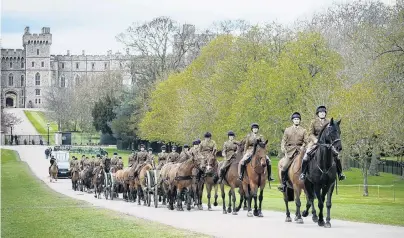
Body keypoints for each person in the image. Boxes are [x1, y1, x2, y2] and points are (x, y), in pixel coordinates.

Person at [299, 106, 346, 181]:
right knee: (306, 156)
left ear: (325, 113)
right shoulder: (313, 122)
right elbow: (310, 133)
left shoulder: (329, 121)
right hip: (315, 142)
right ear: (318, 114)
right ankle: (303, 173)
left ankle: (340, 173)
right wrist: (315, 140)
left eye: (323, 112)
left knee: (337, 155)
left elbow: (332, 132)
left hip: (327, 143)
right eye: (320, 112)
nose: (322, 114)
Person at [279, 112, 308, 192]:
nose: (296, 121)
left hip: (300, 151)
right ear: (292, 120)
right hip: (290, 151)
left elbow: (306, 141)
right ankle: (283, 184)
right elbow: (283, 141)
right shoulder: (287, 130)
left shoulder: (303, 130)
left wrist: (303, 146)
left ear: (300, 120)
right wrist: (283, 148)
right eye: (295, 119)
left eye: (298, 119)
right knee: (284, 167)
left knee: (309, 164)